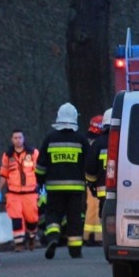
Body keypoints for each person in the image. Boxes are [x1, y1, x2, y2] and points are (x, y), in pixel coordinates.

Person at [35, 102, 90, 259]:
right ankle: (75, 250)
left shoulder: (50, 138)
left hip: (54, 187)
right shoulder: (81, 139)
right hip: (76, 188)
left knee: (53, 214)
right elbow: (89, 163)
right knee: (74, 218)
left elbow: (40, 165)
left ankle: (53, 238)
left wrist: (40, 181)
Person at [0, 129, 40, 251]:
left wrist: (42, 187)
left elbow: (39, 172)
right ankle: (19, 243)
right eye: (15, 138)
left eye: (20, 137)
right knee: (16, 218)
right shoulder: (7, 155)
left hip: (30, 192)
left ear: (24, 138)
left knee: (32, 219)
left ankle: (32, 238)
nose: (18, 140)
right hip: (13, 193)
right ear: (12, 139)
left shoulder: (33, 153)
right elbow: (4, 173)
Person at [85, 108, 112, 218]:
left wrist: (92, 185)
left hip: (103, 192)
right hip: (125, 191)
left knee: (105, 217)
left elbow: (90, 167)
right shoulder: (126, 141)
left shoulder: (97, 144)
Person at [84, 114, 103, 246]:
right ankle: (97, 237)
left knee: (91, 207)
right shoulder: (100, 142)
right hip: (98, 179)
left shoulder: (87, 140)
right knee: (96, 207)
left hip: (88, 178)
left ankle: (87, 235)